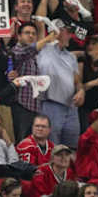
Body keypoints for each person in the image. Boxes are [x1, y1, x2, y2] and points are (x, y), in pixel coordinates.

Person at [37, 18, 85, 148]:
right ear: (56, 31)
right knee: (53, 148)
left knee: (71, 148)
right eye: (67, 32)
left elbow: (77, 82)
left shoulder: (71, 57)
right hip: (50, 104)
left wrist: (81, 91)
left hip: (71, 108)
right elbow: (40, 20)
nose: (71, 35)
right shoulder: (42, 50)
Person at [10, 22, 57, 141]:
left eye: (33, 34)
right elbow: (28, 51)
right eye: (27, 33)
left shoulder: (38, 57)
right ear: (19, 36)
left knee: (34, 143)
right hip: (21, 106)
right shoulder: (16, 51)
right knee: (21, 142)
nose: (31, 35)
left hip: (36, 107)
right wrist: (47, 39)